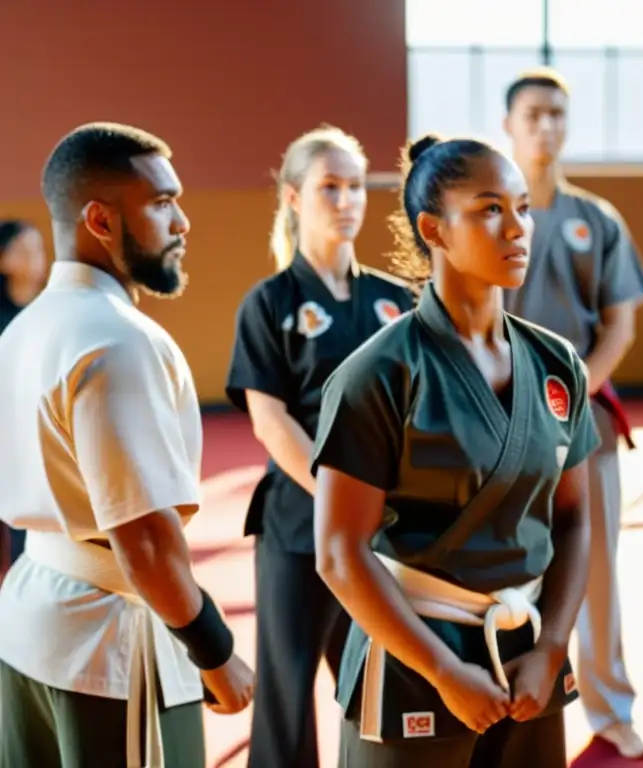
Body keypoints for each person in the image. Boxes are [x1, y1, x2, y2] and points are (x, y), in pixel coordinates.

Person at [310, 133, 599, 768]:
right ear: (433, 229)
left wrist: (551, 646)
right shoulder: (380, 372)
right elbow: (338, 553)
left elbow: (576, 517)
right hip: (415, 653)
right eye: (490, 209)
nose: (518, 227)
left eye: (523, 207)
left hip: (524, 655)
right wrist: (442, 670)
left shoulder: (557, 363)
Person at [0, 122, 255, 768]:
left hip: (32, 616)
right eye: (162, 203)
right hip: (107, 640)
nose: (184, 223)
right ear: (101, 221)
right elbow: (142, 539)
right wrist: (216, 653)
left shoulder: (25, 329)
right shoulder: (118, 340)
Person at [226, 125, 415, 768]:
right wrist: (338, 490)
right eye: (329, 186)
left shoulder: (398, 300)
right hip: (298, 520)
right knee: (287, 682)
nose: (346, 199)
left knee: (379, 677)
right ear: (292, 197)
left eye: (357, 185)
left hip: (383, 528)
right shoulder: (268, 302)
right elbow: (270, 420)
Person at [500, 67, 643, 759]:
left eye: (557, 114)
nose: (546, 126)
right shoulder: (493, 212)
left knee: (596, 568)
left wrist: (574, 391)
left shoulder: (598, 219)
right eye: (533, 114)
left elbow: (619, 324)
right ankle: (513, 698)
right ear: (509, 124)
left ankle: (611, 706)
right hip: (500, 420)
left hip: (583, 419)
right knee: (508, 566)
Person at [0, 219, 49, 581]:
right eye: (25, 250)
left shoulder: (48, 312)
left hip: (33, 437)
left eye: (40, 250)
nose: (37, 259)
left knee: (30, 528)